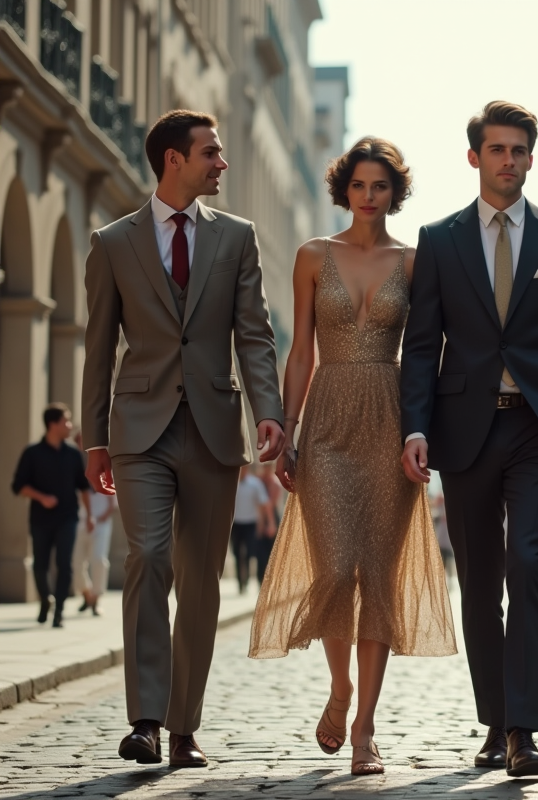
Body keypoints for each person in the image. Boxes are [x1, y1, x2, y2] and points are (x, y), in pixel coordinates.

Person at [400, 101, 538, 778]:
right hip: (465, 433)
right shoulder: (440, 239)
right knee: (480, 584)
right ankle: (493, 719)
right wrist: (416, 426)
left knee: (527, 570)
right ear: (474, 157)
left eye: (518, 150)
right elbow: (422, 346)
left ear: (530, 159)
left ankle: (523, 729)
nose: (508, 161)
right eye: (496, 150)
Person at [82, 109, 286, 768]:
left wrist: (270, 411)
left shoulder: (237, 238)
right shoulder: (113, 242)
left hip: (212, 431)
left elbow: (253, 334)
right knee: (149, 560)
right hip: (140, 430)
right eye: (212, 153)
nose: (222, 164)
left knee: (200, 581)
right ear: (175, 159)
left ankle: (182, 726)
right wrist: (94, 439)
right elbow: (97, 347)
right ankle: (144, 718)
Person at [249, 136, 456, 776]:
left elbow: (426, 352)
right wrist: (285, 425)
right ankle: (338, 687)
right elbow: (302, 350)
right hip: (331, 420)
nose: (370, 197)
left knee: (380, 581)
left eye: (382, 187)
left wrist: (424, 430)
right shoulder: (314, 255)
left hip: (391, 424)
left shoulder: (417, 262)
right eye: (360, 185)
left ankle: (365, 726)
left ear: (396, 193)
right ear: (346, 189)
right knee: (335, 569)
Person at [11, 404, 91, 628]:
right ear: (53, 424)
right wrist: (41, 497)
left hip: (68, 517)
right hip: (41, 519)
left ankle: (60, 611)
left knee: (65, 563)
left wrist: (90, 516)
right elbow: (18, 486)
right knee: (40, 564)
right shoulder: (32, 453)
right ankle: (46, 599)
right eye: (66, 421)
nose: (70, 425)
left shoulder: (73, 454)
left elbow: (83, 487)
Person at [230, 465, 271, 594]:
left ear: (247, 468)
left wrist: (264, 523)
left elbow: (263, 504)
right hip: (235, 524)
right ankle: (239, 582)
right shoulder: (231, 484)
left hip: (250, 523)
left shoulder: (255, 484)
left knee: (248, 553)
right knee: (237, 553)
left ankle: (246, 580)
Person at [79, 482, 118, 616]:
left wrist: (103, 517)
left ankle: (96, 599)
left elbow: (112, 502)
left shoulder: (106, 476)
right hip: (80, 524)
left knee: (99, 560)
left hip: (101, 525)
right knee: (75, 564)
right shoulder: (79, 471)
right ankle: (86, 594)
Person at [255, 462, 284, 586]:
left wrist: (270, 523)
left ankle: (269, 581)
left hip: (270, 517)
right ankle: (260, 579)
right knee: (260, 551)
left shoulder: (275, 483)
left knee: (271, 552)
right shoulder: (258, 482)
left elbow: (270, 505)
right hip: (259, 516)